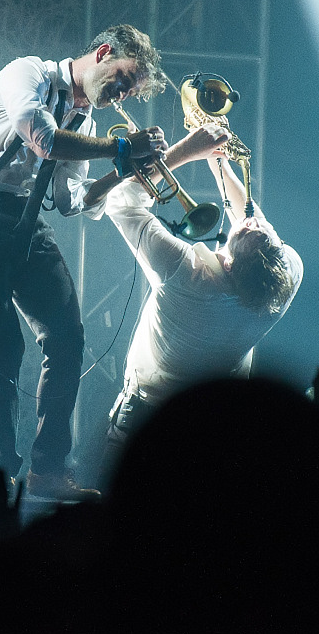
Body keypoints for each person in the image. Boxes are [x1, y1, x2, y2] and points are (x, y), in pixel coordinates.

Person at [0, 24, 167, 499]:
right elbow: (41, 138)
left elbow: (72, 200)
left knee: (67, 336)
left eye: (129, 91)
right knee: (3, 345)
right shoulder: (29, 73)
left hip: (21, 221)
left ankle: (47, 469)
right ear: (103, 53)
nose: (121, 94)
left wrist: (119, 170)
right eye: (122, 79)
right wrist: (123, 148)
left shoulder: (87, 125)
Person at [102, 116, 303, 475]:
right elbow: (248, 217)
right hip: (219, 418)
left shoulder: (186, 273)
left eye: (245, 232)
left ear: (227, 266)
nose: (254, 221)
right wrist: (218, 159)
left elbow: (119, 202)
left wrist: (185, 152)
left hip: (147, 413)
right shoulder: (284, 277)